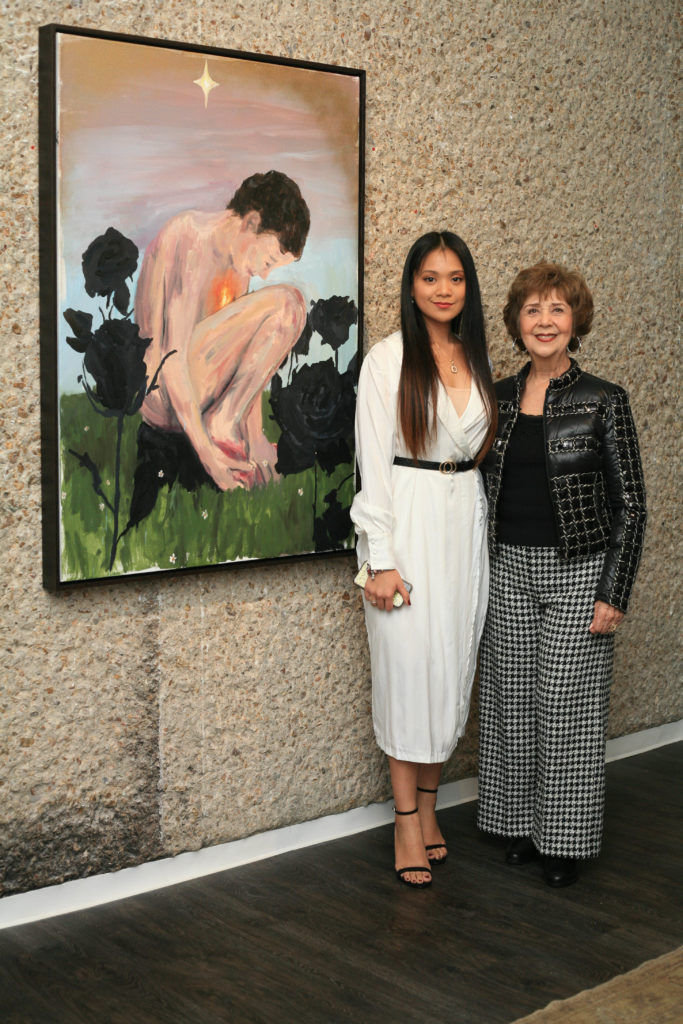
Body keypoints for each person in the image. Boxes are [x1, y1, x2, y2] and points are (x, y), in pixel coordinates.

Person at [477, 261, 647, 887]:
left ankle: (565, 842)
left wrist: (614, 591)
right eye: (532, 310)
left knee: (567, 707)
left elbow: (633, 503)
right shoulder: (494, 396)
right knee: (512, 701)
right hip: (506, 568)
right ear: (515, 322)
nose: (544, 321)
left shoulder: (605, 399)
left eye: (556, 310)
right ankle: (520, 826)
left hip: (580, 571)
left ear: (575, 321)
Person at [350, 231, 497, 888]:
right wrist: (378, 559)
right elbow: (372, 468)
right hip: (405, 523)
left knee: (447, 669)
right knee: (407, 674)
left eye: (455, 277)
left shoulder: (475, 356)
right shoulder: (388, 360)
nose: (443, 289)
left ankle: (432, 812)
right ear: (410, 286)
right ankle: (404, 822)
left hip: (462, 521)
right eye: (430, 277)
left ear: (467, 287)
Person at [134, 170, 310, 494]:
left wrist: (254, 438)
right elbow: (171, 359)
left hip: (197, 387)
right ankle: (223, 424)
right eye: (269, 259)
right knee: (289, 303)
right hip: (163, 393)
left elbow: (244, 359)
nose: (264, 272)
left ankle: (227, 423)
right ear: (251, 223)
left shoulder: (236, 261)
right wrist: (208, 457)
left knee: (290, 308)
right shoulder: (190, 239)